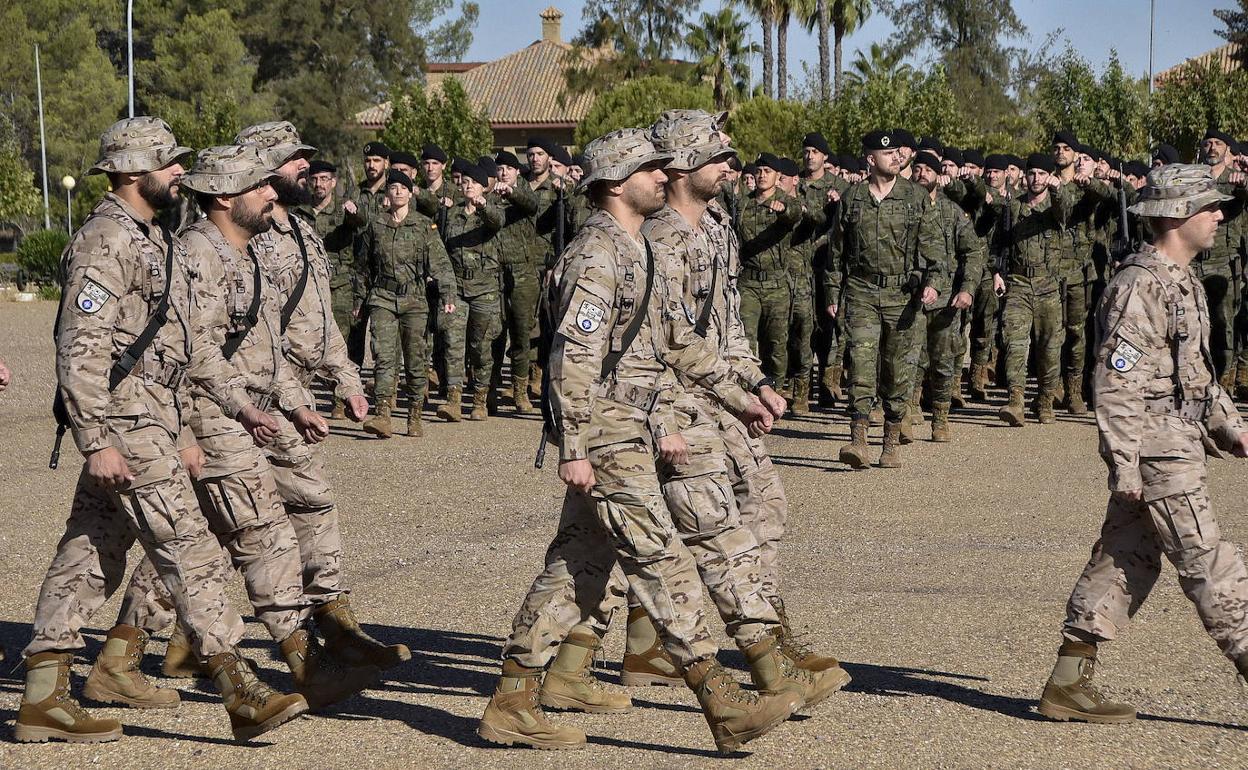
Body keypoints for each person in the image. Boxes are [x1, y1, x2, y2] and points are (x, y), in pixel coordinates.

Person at [477, 128, 800, 754]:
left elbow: (675, 336)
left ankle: (512, 699)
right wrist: (572, 447)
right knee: (660, 559)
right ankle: (719, 699)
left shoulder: (634, 250)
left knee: (582, 564)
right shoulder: (596, 256)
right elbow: (573, 358)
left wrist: (744, 390)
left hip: (631, 422)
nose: (663, 176)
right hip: (604, 429)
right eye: (650, 169)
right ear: (615, 183)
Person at [16, 117, 306, 744]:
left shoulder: (149, 236)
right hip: (124, 420)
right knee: (190, 546)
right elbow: (79, 348)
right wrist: (96, 440)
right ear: (129, 170)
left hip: (151, 415)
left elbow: (186, 347)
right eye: (168, 161)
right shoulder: (106, 241)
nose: (181, 171)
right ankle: (238, 687)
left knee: (92, 550)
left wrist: (237, 405)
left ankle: (43, 693)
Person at [110, 144, 377, 712]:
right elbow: (182, 351)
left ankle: (123, 655)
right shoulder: (196, 255)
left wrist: (291, 399)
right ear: (226, 196)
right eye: (262, 184)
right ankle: (304, 662)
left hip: (246, 408)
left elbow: (265, 345)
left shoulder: (248, 251)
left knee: (215, 537)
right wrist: (181, 432)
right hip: (208, 415)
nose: (273, 192)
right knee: (255, 533)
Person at [1038, 163, 1248, 723]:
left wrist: (1231, 426)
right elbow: (1116, 384)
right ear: (1178, 215)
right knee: (1209, 561)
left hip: (1174, 439)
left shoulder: (1182, 281)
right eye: (1209, 206)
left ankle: (1067, 680)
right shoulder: (1138, 287)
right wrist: (1125, 464)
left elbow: (1195, 374)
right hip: (1157, 450)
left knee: (1125, 559)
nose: (1220, 215)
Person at [826, 130, 946, 469]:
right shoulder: (853, 199)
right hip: (862, 292)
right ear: (870, 158)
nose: (896, 157)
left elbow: (936, 250)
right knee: (861, 365)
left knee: (897, 370)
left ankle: (891, 440)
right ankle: (858, 441)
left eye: (897, 152)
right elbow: (837, 254)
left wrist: (934, 284)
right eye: (888, 153)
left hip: (902, 296)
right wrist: (833, 293)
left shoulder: (915, 197)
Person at [356, 169, 457, 438]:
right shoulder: (376, 225)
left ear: (411, 192)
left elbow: (441, 265)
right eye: (393, 187)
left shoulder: (424, 226)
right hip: (383, 298)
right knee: (384, 357)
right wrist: (358, 300)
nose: (398, 191)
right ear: (387, 193)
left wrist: (448, 295)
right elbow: (363, 267)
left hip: (414, 300)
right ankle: (383, 415)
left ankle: (414, 413)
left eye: (403, 187)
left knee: (415, 359)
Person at [992, 153, 1078, 426]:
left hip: (1048, 287)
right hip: (1018, 284)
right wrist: (996, 272)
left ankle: (1044, 400)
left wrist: (1058, 188)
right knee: (1014, 342)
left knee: (1050, 348)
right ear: (1025, 176)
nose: (1036, 179)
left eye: (1042, 174)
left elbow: (1066, 209)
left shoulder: (1055, 208)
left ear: (1048, 176)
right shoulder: (1014, 207)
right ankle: (1015, 401)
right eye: (1032, 174)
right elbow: (999, 242)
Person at [907, 152, 985, 442]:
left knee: (942, 363)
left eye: (928, 169)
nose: (921, 174)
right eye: (917, 169)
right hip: (907, 299)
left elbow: (973, 253)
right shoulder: (901, 209)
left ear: (938, 176)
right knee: (907, 361)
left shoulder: (952, 212)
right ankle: (908, 410)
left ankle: (940, 416)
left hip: (944, 303)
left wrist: (966, 289)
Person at [436, 163, 504, 422]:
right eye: (463, 182)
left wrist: (483, 204)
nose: (467, 186)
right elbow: (441, 249)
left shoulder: (491, 211)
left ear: (482, 186)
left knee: (480, 347)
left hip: (485, 290)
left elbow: (496, 222)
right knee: (453, 344)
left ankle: (479, 399)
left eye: (472, 183)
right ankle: (453, 400)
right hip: (457, 290)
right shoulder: (450, 215)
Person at [737, 153, 801, 387]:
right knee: (746, 340)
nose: (762, 175)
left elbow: (795, 214)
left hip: (776, 285)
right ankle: (750, 389)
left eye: (768, 172)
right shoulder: (744, 203)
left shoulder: (786, 200)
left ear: (778, 176)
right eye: (759, 171)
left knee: (776, 343)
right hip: (748, 283)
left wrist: (782, 209)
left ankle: (777, 386)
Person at [489, 151, 541, 414]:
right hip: (495, 273)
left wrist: (510, 193)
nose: (504, 173)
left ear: (517, 172)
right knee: (494, 334)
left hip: (523, 273)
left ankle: (520, 392)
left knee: (521, 335)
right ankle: (490, 391)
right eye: (500, 169)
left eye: (509, 168)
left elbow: (531, 205)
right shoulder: (490, 197)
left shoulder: (525, 193)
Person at [308, 159, 365, 395]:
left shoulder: (345, 208)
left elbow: (360, 224)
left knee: (342, 343)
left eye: (324, 179)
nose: (318, 184)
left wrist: (353, 214)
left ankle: (343, 397)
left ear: (333, 182)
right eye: (314, 179)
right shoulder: (300, 210)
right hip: (309, 286)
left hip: (339, 286)